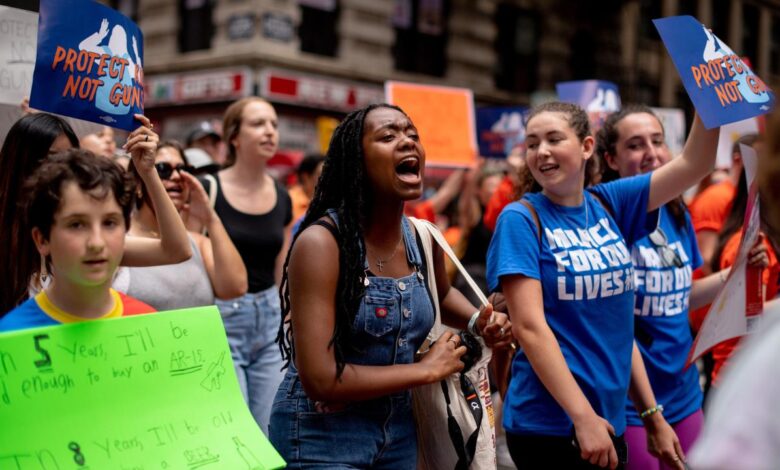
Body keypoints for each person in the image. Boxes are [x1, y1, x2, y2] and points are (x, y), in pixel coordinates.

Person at [269, 103, 513, 468]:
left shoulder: (422, 237)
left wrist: (480, 320)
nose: (407, 142)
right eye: (388, 136)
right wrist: (426, 370)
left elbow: (441, 294)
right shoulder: (322, 243)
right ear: (356, 160)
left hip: (399, 432)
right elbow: (320, 378)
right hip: (322, 434)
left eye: (412, 135)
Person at [487, 101, 719, 469]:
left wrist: (708, 94)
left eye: (553, 139)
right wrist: (582, 417)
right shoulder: (520, 218)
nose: (541, 151)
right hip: (548, 426)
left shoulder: (612, 204)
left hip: (608, 421)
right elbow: (530, 328)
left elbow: (695, 163)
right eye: (532, 143)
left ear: (587, 147)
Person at [596, 105, 769, 470]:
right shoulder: (604, 218)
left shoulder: (676, 213)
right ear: (610, 158)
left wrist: (733, 274)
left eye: (657, 141)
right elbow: (609, 323)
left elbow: (679, 297)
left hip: (684, 391)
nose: (651, 153)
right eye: (635, 145)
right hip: (630, 402)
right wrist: (650, 413)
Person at [0, 113, 192, 318]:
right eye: (48, 160)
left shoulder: (91, 241)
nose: (95, 243)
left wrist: (148, 172)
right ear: (41, 239)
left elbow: (177, 250)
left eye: (68, 159)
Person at [200, 97, 292, 432]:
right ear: (234, 137)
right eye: (258, 124)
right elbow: (194, 253)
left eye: (274, 124)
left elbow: (282, 265)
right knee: (232, 430)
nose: (269, 131)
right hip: (221, 318)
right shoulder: (208, 189)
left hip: (269, 321)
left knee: (269, 430)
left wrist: (285, 315)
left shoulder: (282, 195)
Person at [0, 149, 155, 331]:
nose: (96, 243)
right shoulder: (10, 337)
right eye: (76, 225)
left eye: (109, 223)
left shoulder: (148, 324)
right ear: (41, 239)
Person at [113, 140, 247, 311]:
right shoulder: (120, 241)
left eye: (183, 170)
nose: (176, 177)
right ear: (138, 184)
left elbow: (235, 288)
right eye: (163, 170)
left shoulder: (196, 242)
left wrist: (210, 217)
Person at [289, 153, 325, 222]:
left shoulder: (329, 203)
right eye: (321, 175)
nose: (326, 180)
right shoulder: (289, 200)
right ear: (306, 177)